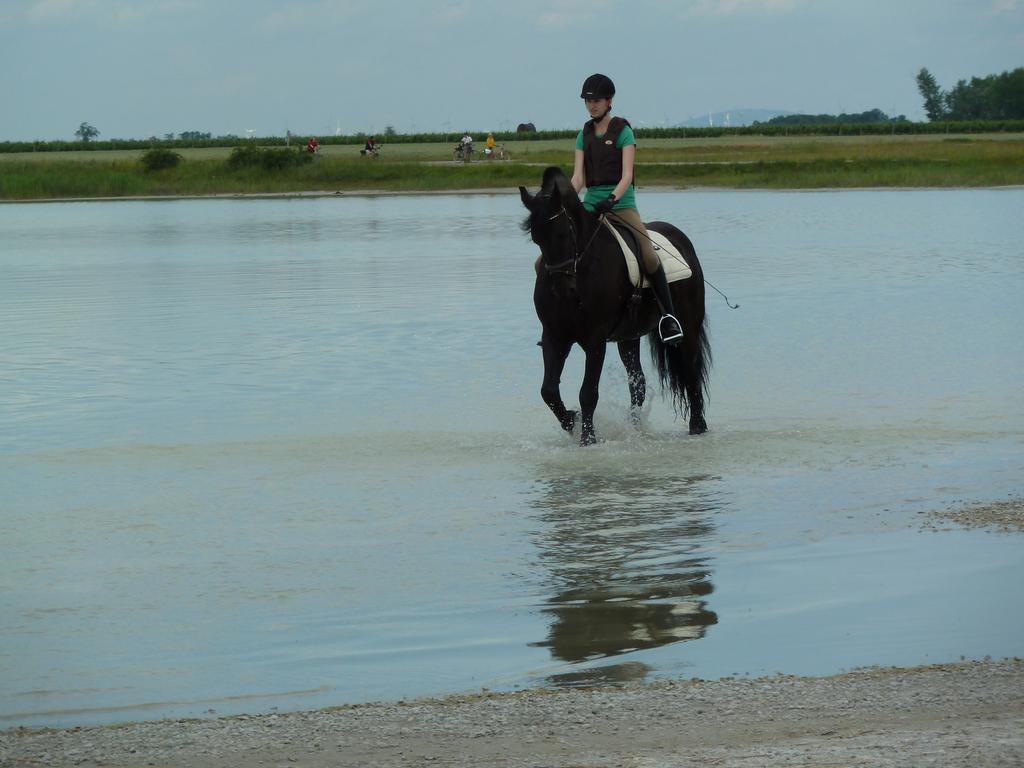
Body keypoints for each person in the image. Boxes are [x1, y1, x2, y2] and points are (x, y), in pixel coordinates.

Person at [570, 73, 684, 344]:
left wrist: (611, 199)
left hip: (621, 206)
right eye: (587, 101)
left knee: (648, 256)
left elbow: (627, 176)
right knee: (552, 258)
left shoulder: (624, 132)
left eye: (596, 100)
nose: (591, 105)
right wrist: (563, 200)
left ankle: (669, 318)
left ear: (609, 101)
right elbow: (578, 178)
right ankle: (562, 316)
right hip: (590, 206)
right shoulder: (582, 135)